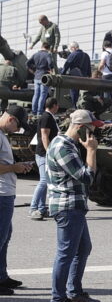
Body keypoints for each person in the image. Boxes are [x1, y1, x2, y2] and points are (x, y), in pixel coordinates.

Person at [46, 109, 103, 302]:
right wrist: (92, 150)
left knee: (83, 248)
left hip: (73, 206)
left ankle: (74, 292)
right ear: (80, 127)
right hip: (67, 207)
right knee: (66, 253)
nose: (92, 134)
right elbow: (87, 177)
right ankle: (58, 297)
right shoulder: (63, 147)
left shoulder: (67, 144)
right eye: (89, 129)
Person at [0, 105, 33, 296]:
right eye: (18, 126)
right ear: (11, 119)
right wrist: (15, 168)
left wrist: (17, 167)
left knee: (5, 236)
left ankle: (2, 276)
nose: (18, 130)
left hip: (5, 193)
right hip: (1, 194)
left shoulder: (2, 135)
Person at [29, 97, 60, 221]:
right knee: (43, 181)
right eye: (57, 105)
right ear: (54, 105)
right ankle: (33, 208)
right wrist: (49, 152)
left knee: (46, 181)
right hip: (43, 153)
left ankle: (41, 209)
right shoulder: (47, 117)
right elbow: (44, 136)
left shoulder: (48, 116)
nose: (58, 108)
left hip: (43, 153)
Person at [27, 41, 55, 116]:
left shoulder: (35, 54)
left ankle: (33, 111)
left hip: (36, 76)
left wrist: (33, 70)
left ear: (42, 46)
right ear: (48, 48)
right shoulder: (48, 55)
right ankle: (39, 112)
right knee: (43, 94)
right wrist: (51, 70)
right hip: (44, 77)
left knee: (36, 94)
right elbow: (50, 63)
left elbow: (28, 63)